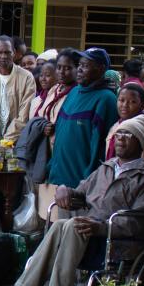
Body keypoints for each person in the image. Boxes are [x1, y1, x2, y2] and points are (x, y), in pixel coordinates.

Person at [0, 115, 144, 286]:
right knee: (64, 223)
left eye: (129, 135)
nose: (121, 138)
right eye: (120, 133)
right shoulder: (106, 167)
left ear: (140, 141)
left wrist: (102, 227)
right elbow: (79, 193)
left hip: (115, 239)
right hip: (87, 234)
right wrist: (64, 190)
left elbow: (142, 222)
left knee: (70, 225)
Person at [46, 48, 118, 190]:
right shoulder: (73, 91)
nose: (79, 69)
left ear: (101, 69)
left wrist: (87, 184)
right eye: (79, 65)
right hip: (59, 180)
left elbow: (101, 148)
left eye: (85, 66)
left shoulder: (106, 99)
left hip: (81, 186)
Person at [108, 82, 144, 162]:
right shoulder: (116, 126)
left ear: (142, 105)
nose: (125, 105)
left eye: (132, 102)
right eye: (121, 100)